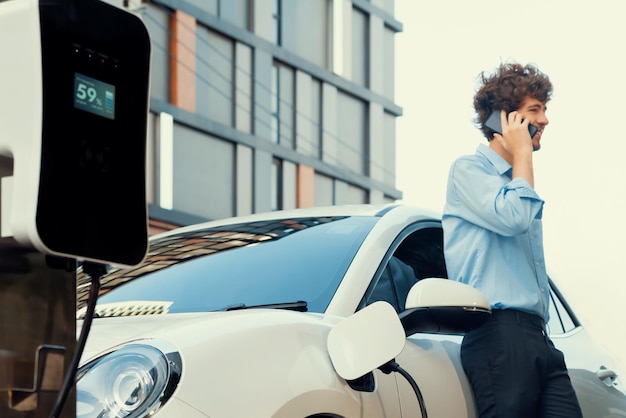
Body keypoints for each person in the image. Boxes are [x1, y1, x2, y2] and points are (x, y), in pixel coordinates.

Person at [442, 62, 583, 417]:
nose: (546, 120)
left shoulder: (518, 184)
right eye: (535, 110)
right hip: (498, 338)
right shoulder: (468, 171)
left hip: (539, 338)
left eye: (544, 109)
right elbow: (514, 217)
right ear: (505, 120)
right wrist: (521, 153)